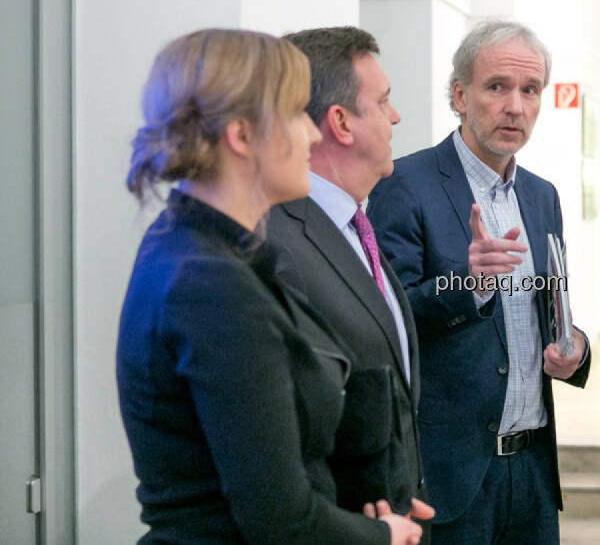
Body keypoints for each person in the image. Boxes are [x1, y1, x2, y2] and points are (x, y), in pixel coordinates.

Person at [116, 29, 423, 544]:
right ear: (241, 135)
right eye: (294, 115)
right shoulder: (211, 281)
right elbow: (281, 519)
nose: (311, 135)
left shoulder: (212, 247)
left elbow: (278, 452)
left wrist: (366, 505)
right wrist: (383, 536)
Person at [367, 19, 591, 545]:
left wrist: (575, 347)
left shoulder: (542, 195)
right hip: (450, 477)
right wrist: (466, 286)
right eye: (497, 87)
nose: (515, 106)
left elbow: (550, 309)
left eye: (530, 90)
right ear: (460, 95)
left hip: (533, 470)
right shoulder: (405, 184)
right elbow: (386, 318)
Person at [267, 26, 433, 534]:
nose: (395, 116)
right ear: (340, 122)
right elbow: (286, 426)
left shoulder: (356, 224)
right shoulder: (277, 241)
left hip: (393, 516)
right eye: (382, 102)